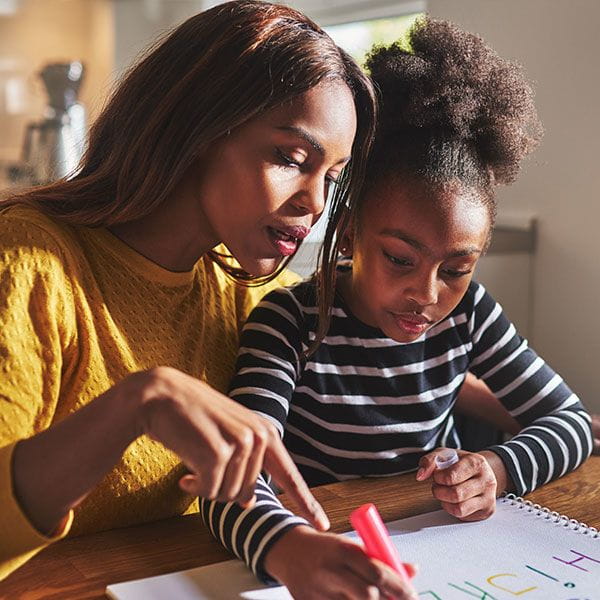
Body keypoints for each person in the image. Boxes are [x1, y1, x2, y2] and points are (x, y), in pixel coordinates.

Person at [201, 17, 594, 599]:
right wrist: (287, 545)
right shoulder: (289, 323)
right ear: (353, 230)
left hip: (438, 553)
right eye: (400, 259)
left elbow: (572, 422)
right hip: (325, 550)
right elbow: (235, 480)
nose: (427, 295)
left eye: (457, 269)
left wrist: (496, 469)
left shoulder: (470, 315)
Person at [0, 0, 381, 582]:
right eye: (291, 159)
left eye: (331, 177)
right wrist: (138, 403)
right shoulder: (28, 261)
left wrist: (485, 446)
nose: (315, 204)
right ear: (199, 128)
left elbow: (365, 342)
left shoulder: (243, 291)